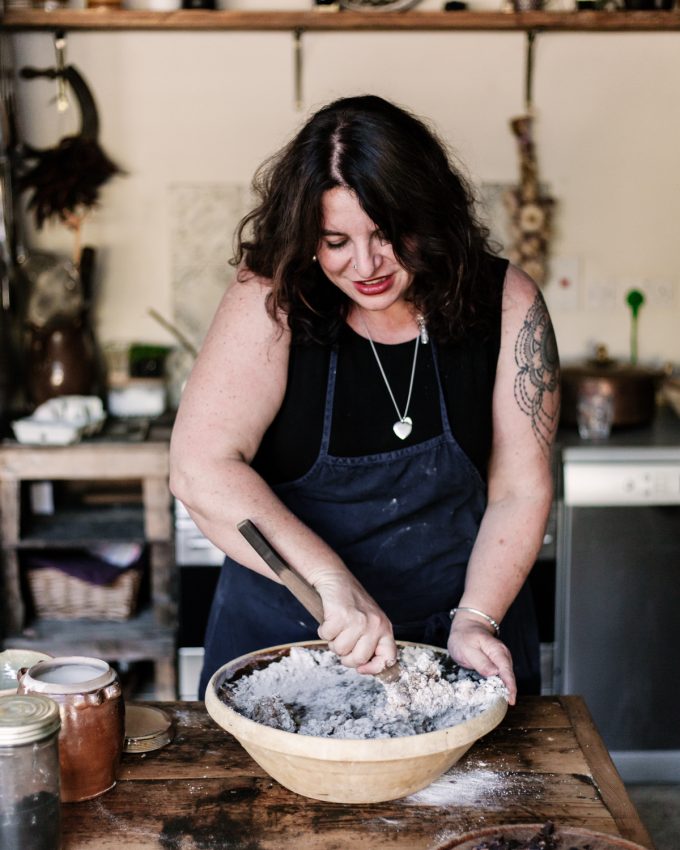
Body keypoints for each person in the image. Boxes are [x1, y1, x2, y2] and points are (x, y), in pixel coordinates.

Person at [169, 94, 560, 704]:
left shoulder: (505, 301)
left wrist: (477, 618)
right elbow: (200, 469)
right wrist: (333, 585)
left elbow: (520, 488)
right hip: (288, 641)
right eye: (335, 241)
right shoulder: (271, 299)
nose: (366, 265)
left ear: (428, 217)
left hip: (459, 638)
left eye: (386, 235)